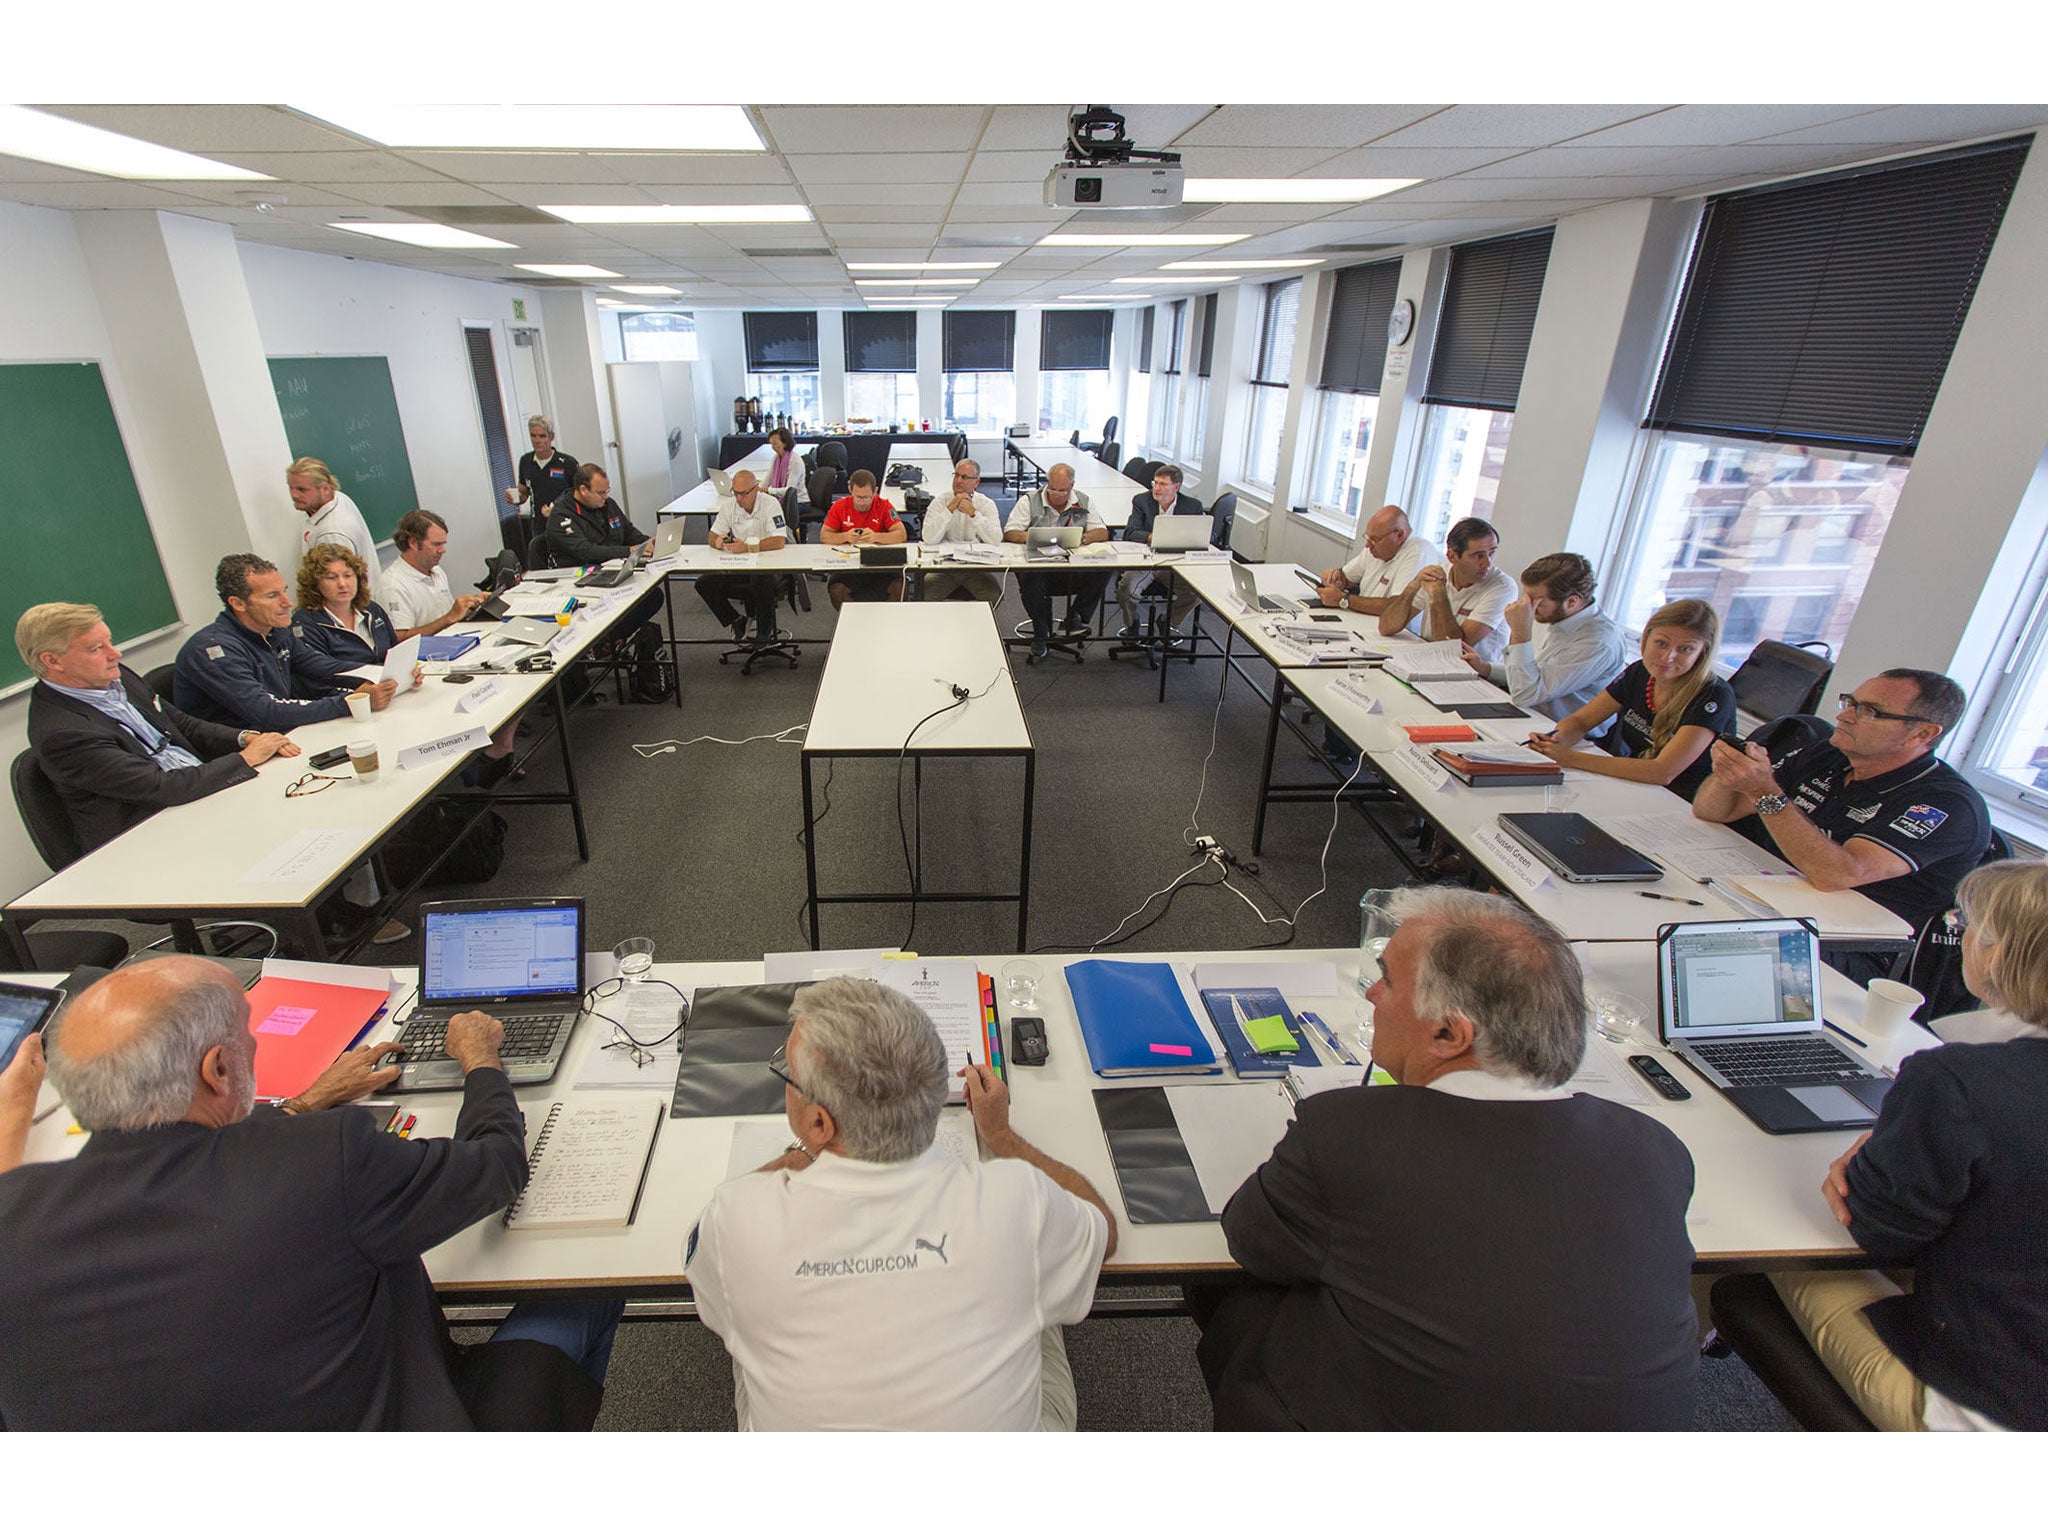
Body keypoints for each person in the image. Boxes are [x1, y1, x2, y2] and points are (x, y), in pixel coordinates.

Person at [0, 956, 623, 1429]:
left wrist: (303, 1102)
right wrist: (482, 1061)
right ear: (218, 1070)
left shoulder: (15, 1216)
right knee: (595, 1276)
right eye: (247, 1032)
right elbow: (494, 1165)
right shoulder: (329, 1160)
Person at [1192, 887, 1698, 1429]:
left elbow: (1251, 1241)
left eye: (1385, 980)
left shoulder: (1344, 1132)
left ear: (1447, 1033)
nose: (1371, 998)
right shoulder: (1655, 1146)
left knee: (1232, 1290)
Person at [686, 977, 1114, 1430]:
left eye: (786, 1073)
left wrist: (799, 1156)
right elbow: (1101, 1230)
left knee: (743, 1313)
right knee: (1041, 1265)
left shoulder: (737, 1219)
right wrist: (1001, 1136)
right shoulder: (1020, 1200)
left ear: (818, 1122)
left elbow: (700, 1266)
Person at [1765, 859, 2048, 1432]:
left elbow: (1878, 1231)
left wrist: (1881, 1158)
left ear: (1995, 955)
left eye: (1968, 924)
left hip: (1987, 1408)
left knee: (1763, 1244)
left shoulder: (1959, 1080)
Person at [1692, 669, 1991, 946]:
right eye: (1850, 702)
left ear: (1922, 734)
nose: (1845, 716)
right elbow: (1714, 811)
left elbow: (1836, 875)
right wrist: (1731, 770)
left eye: (1869, 711)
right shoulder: (1827, 755)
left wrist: (1763, 790)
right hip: (1769, 901)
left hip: (1849, 945)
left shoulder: (1947, 804)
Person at [18, 601, 298, 854]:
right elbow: (162, 787)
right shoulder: (63, 733)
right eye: (96, 649)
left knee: (299, 809)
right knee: (287, 840)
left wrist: (245, 738)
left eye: (109, 642)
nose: (115, 653)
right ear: (52, 661)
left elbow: (182, 725)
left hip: (196, 795)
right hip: (149, 832)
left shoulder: (116, 677)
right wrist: (245, 759)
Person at [1526, 599, 1734, 801]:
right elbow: (1581, 721)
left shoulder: (1714, 695)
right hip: (1633, 785)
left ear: (1702, 653)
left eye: (1685, 649)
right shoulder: (1639, 672)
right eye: (1661, 643)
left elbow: (1662, 772)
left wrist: (1571, 758)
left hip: (1681, 801)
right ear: (1646, 638)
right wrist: (1557, 740)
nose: (1668, 657)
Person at [175, 553, 400, 732]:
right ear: (238, 603)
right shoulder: (212, 650)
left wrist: (387, 675)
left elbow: (325, 667)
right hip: (244, 757)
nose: (287, 602)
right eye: (272, 596)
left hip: (284, 736)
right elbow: (266, 711)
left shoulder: (276, 632)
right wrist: (351, 701)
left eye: (284, 591)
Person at [543, 463, 671, 702]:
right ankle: (599, 644)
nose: (606, 497)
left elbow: (629, 532)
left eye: (607, 491)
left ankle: (608, 641)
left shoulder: (607, 505)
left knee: (653, 596)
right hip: (579, 581)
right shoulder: (561, 515)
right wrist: (628, 550)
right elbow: (585, 551)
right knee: (621, 604)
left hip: (611, 574)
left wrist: (648, 544)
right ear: (582, 490)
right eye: (600, 492)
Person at [1462, 551, 1632, 723]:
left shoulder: (1597, 642)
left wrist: (1521, 633)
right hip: (1533, 716)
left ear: (1571, 602)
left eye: (1536, 601)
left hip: (1562, 731)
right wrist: (1486, 668)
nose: (1526, 606)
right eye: (1526, 597)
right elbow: (1536, 675)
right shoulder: (1566, 618)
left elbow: (1526, 694)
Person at [1006, 462, 1109, 659]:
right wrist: (1032, 537)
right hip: (1039, 568)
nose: (1055, 494)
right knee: (1031, 579)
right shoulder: (1030, 500)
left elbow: (1102, 531)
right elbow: (1010, 532)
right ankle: (1040, 632)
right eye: (1051, 488)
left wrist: (1083, 538)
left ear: (1071, 486)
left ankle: (1075, 618)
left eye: (1062, 490)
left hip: (1071, 568)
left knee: (1104, 568)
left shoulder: (1083, 501)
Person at [1377, 516, 1515, 661]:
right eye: (1478, 556)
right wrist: (1412, 587)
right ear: (1452, 556)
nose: (1487, 563)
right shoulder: (1438, 573)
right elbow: (1386, 627)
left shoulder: (1502, 587)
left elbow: (1454, 648)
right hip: (1431, 659)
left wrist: (1438, 596)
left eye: (1492, 552)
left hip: (1475, 675)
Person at [1116, 463, 1207, 639]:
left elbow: (1204, 536)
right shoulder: (1142, 501)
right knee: (1126, 590)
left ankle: (1168, 621)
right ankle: (1132, 623)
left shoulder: (1192, 506)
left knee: (1197, 593)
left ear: (1177, 487)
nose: (1156, 488)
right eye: (1155, 483)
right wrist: (1153, 537)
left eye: (1163, 484)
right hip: (1146, 562)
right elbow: (1130, 532)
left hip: (1176, 564)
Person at [698, 468, 788, 646]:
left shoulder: (770, 504)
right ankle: (736, 620)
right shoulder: (729, 506)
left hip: (769, 566)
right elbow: (711, 535)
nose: (739, 498)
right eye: (736, 493)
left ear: (755, 489)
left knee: (761, 579)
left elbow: (779, 541)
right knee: (704, 583)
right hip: (741, 565)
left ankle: (764, 631)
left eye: (744, 493)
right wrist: (718, 541)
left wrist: (747, 547)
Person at [1315, 504, 1438, 618]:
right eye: (1368, 537)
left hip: (1399, 635)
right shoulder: (1375, 550)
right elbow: (1347, 578)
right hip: (1362, 620)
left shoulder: (1418, 552)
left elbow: (1398, 606)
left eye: (1374, 539)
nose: (1368, 545)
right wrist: (1335, 578)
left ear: (1399, 535)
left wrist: (1345, 600)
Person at [378, 509, 483, 641]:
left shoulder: (436, 570)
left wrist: (472, 605)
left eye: (443, 544)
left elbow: (448, 617)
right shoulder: (393, 586)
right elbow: (399, 640)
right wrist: (448, 618)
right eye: (436, 544)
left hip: (453, 643)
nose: (442, 550)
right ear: (413, 543)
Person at [919, 458, 1004, 605]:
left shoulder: (986, 504)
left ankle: (976, 626)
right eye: (956, 475)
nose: (958, 481)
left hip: (976, 568)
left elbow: (996, 539)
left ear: (976, 482)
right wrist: (949, 509)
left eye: (964, 477)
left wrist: (974, 514)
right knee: (923, 594)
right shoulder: (940, 502)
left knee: (994, 595)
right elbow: (929, 538)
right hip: (945, 567)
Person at [819, 469, 907, 608]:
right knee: (836, 589)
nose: (862, 502)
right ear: (850, 490)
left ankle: (887, 622)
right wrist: (845, 536)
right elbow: (824, 536)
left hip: (881, 565)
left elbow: (901, 535)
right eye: (858, 497)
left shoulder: (884, 506)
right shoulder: (839, 506)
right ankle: (853, 623)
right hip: (849, 567)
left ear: (875, 491)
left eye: (867, 497)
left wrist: (876, 536)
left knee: (900, 586)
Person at [287, 456, 378, 588]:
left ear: (325, 489)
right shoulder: (338, 497)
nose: (294, 495)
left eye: (302, 490)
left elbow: (340, 586)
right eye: (291, 488)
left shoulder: (331, 534)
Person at [503, 413, 578, 515]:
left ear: (551, 437)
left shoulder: (568, 463)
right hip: (538, 525)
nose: (537, 441)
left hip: (564, 522)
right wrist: (515, 498)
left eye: (542, 436)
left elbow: (581, 495)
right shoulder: (526, 461)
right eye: (533, 436)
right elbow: (524, 493)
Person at [760, 425, 804, 512]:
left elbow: (789, 491)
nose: (773, 447)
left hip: (799, 502)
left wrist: (767, 490)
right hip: (785, 500)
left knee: (768, 510)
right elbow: (767, 479)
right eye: (771, 444)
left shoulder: (795, 461)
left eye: (775, 443)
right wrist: (756, 489)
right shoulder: (776, 459)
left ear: (785, 443)